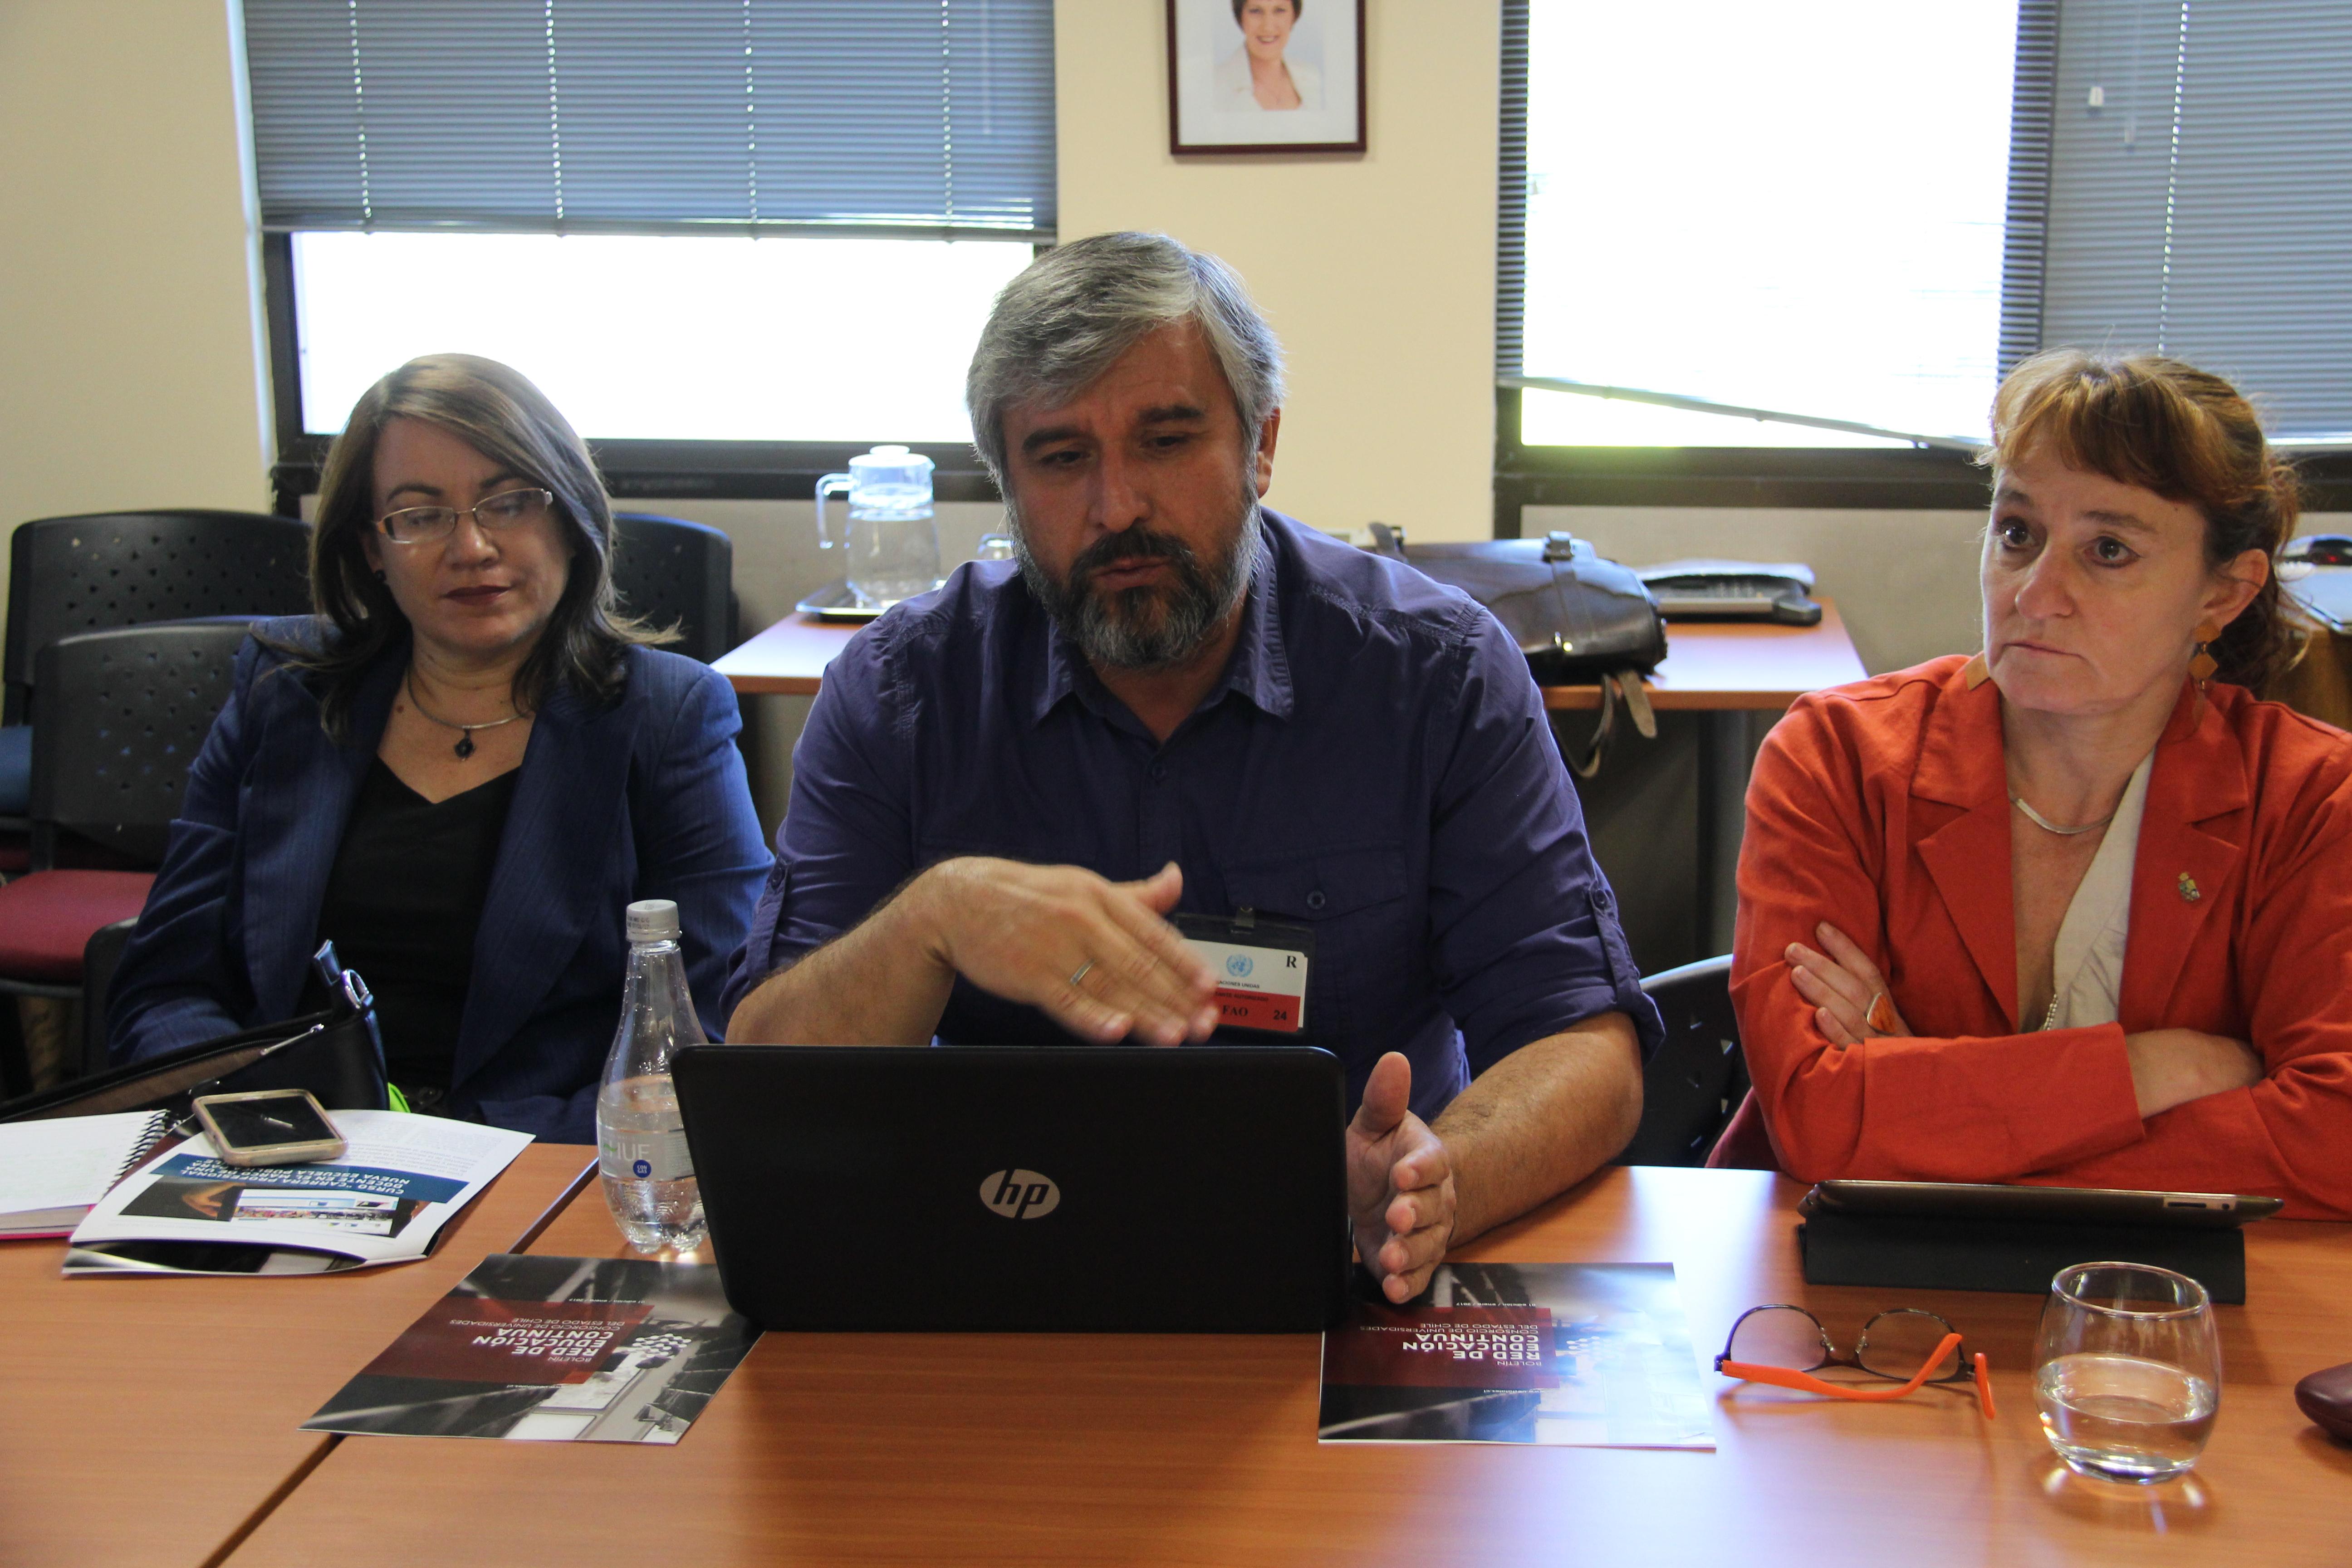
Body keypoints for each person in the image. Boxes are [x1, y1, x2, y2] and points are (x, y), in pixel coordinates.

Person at [723, 232, 1656, 1302]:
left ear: (1260, 445)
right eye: (1061, 458)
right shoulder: (900, 693)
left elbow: (1584, 1043)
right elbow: (766, 1092)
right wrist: (930, 919)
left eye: (1164, 440)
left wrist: (1431, 1180)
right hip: (996, 1269)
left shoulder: (1431, 674)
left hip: (1341, 1271)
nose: (1116, 506)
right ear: (1008, 482)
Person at [1725, 349, 2352, 1218]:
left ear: (2222, 593)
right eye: (2017, 532)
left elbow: (2331, 1138)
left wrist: (1931, 1111)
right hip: (1834, 1286)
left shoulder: (2312, 798)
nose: (2034, 593)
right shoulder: (1836, 755)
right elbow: (1817, 1119)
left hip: (2168, 1303)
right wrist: (2152, 1070)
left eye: (2107, 550)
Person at [108, 354, 771, 1143]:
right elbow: (165, 987)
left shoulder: (668, 714)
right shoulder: (283, 692)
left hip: (548, 1163)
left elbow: (711, 1026)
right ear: (370, 548)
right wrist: (255, 1119)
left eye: (509, 502)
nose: (472, 546)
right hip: (286, 1155)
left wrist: (473, 1152)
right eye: (420, 516)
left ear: (568, 516)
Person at [1215, 0, 1321, 113]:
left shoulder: (1313, 78)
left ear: (1294, 16)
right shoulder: (1215, 86)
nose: (1268, 27)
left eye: (1280, 11)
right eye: (1256, 11)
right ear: (1240, 17)